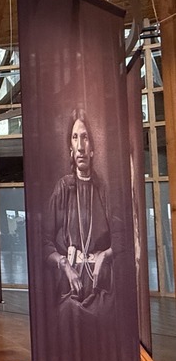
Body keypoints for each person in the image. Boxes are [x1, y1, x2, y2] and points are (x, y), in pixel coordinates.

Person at [44, 109, 113, 312]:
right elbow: (44, 242)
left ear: (92, 148)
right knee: (68, 314)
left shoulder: (103, 189)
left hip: (101, 282)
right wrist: (64, 265)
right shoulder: (63, 188)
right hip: (69, 282)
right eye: (75, 138)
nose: (81, 146)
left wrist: (104, 257)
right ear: (70, 149)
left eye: (85, 138)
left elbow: (123, 239)